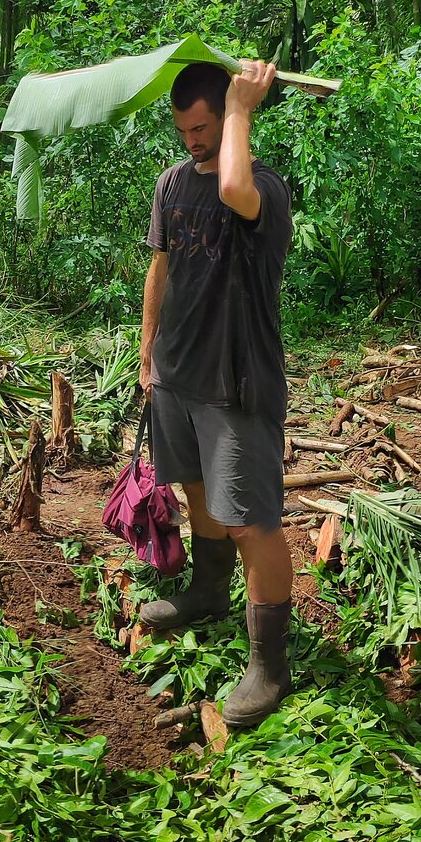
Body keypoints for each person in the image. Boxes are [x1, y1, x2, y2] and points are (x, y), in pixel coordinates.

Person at [134, 59, 298, 731]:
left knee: (250, 518)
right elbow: (161, 265)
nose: (191, 141)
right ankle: (207, 591)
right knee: (195, 489)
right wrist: (145, 349)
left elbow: (230, 180)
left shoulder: (260, 188)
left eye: (202, 126)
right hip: (178, 372)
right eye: (183, 130)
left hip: (236, 380)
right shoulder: (172, 183)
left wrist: (242, 106)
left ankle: (270, 662)